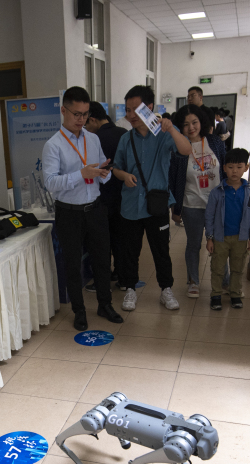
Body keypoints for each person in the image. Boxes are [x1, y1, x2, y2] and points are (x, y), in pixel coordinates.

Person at [42, 86, 123, 331]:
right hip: (69, 212)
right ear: (64, 111)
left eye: (85, 114)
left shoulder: (93, 139)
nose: (81, 119)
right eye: (76, 114)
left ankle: (105, 304)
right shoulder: (53, 145)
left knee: (102, 260)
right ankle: (79, 310)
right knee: (72, 263)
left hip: (95, 208)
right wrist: (81, 174)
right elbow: (50, 183)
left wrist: (104, 173)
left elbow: (101, 173)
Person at [111, 85, 193, 312]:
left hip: (156, 204)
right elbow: (116, 168)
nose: (130, 115)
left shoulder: (163, 135)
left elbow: (186, 150)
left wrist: (172, 128)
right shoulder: (126, 139)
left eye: (135, 110)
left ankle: (166, 289)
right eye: (127, 110)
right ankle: (130, 288)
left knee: (161, 250)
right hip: (130, 205)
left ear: (149, 108)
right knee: (130, 251)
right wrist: (124, 175)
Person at [168, 104, 225, 298]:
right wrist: (175, 208)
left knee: (220, 243)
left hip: (217, 204)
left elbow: (225, 170)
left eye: (194, 122)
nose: (191, 127)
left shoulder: (214, 142)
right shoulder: (179, 147)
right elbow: (174, 179)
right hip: (191, 205)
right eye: (185, 124)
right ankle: (193, 281)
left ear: (201, 122)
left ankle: (224, 280)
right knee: (194, 244)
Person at [203, 148, 250, 310]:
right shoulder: (217, 192)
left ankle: (235, 294)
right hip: (220, 238)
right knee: (217, 268)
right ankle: (216, 295)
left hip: (241, 238)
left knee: (237, 268)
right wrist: (209, 238)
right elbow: (209, 216)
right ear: (224, 168)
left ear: (246, 167)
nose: (235, 171)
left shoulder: (249, 191)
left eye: (239, 167)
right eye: (231, 167)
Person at [84, 101, 127, 288]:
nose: (85, 128)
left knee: (101, 242)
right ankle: (122, 276)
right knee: (120, 238)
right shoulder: (123, 134)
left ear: (93, 119)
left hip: (101, 197)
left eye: (86, 123)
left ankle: (102, 280)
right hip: (124, 194)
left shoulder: (93, 139)